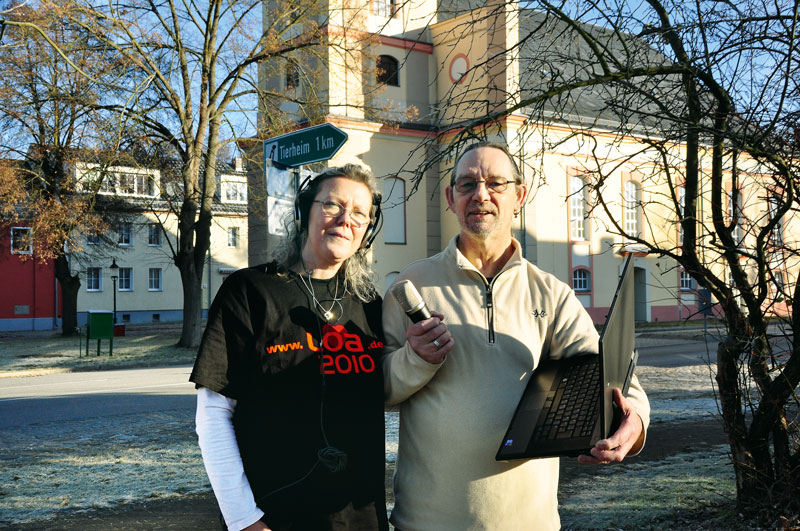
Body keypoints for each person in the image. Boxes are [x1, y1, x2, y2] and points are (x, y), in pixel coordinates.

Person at [382, 142, 651, 530]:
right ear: (450, 197)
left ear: (519, 196)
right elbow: (376, 386)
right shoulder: (410, 287)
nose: (480, 195)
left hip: (529, 522)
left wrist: (636, 420)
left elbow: (610, 371)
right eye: (467, 185)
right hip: (427, 521)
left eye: (495, 183)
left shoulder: (551, 293)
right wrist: (415, 359)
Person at [191, 164, 389, 531]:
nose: (346, 219)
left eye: (360, 213)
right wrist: (244, 520)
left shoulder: (371, 305)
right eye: (332, 205)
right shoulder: (249, 291)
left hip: (361, 519)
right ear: (304, 212)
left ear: (368, 230)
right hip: (274, 517)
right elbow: (213, 413)